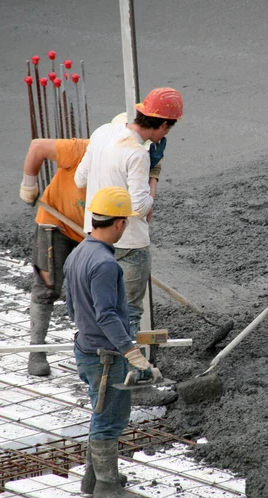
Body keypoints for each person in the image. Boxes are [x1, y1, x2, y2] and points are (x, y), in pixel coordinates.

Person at [74, 87, 183, 357]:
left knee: (100, 307)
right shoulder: (137, 153)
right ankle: (133, 375)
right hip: (131, 243)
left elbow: (80, 179)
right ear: (165, 126)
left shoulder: (101, 132)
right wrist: (152, 180)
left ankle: (99, 364)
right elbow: (140, 206)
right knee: (128, 315)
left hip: (96, 235)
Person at [64, 186, 149, 498]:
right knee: (110, 417)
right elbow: (107, 314)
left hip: (85, 349)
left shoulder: (78, 254)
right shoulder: (105, 264)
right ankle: (107, 487)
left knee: (101, 412)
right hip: (106, 357)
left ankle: (93, 477)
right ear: (118, 223)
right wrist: (131, 351)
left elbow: (71, 304)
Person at [19, 137, 89, 376]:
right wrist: (29, 185)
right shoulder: (81, 149)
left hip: (92, 231)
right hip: (55, 222)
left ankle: (89, 352)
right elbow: (38, 147)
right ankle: (36, 351)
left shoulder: (131, 161)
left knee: (89, 289)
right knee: (47, 287)